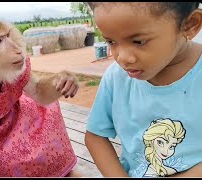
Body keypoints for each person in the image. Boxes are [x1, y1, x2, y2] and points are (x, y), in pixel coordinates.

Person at [84, 2, 202, 177]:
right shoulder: (116, 78)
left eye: (138, 41)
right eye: (111, 41)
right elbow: (95, 137)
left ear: (189, 25)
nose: (123, 58)